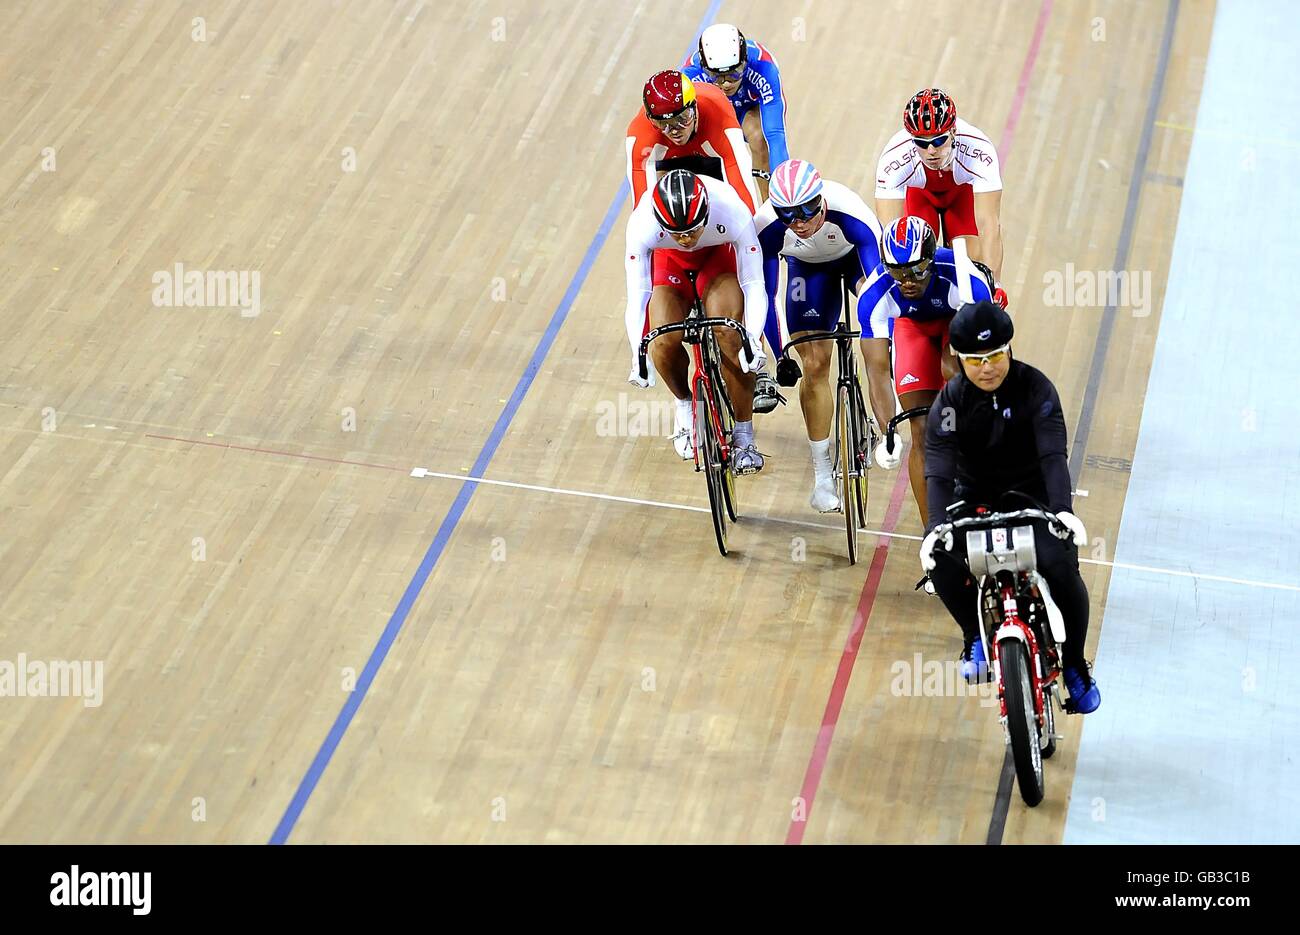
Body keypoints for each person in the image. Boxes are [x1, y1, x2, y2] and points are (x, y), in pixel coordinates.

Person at [920, 300, 1100, 712]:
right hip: (973, 495)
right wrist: (934, 528)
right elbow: (940, 472)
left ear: (1010, 349)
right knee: (940, 559)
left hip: (1032, 493)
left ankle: (1074, 664)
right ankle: (973, 637)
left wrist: (1063, 511)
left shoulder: (1036, 389)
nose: (988, 368)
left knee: (1061, 566)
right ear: (958, 359)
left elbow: (1053, 455)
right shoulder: (947, 405)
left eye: (997, 355)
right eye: (977, 360)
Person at [627, 70, 781, 413]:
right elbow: (643, 209)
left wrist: (748, 239)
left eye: (682, 118)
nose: (675, 130)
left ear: (694, 107)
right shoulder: (641, 135)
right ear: (651, 120)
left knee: (753, 256)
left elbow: (742, 189)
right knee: (663, 323)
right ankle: (687, 408)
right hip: (670, 179)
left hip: (716, 179)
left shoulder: (716, 109)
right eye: (664, 125)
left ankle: (762, 356)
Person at [754, 158, 881, 511]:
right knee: (814, 364)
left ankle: (884, 414)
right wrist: (780, 354)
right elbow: (764, 293)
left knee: (878, 338)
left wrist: (878, 332)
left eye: (808, 211)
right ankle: (823, 476)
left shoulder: (851, 211)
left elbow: (880, 287)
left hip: (854, 259)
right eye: (789, 216)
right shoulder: (765, 227)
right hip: (807, 273)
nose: (800, 223)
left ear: (821, 199)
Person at [624, 169, 768, 474]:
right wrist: (637, 352)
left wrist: (752, 339)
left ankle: (744, 436)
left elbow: (754, 282)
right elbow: (638, 294)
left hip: (717, 259)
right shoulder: (641, 223)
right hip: (670, 264)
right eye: (677, 233)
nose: (687, 239)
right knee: (661, 341)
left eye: (692, 230)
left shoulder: (731, 209)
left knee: (731, 335)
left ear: (706, 213)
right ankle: (684, 404)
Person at [858, 216, 992, 525]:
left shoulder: (964, 279)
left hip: (958, 323)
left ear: (931, 261)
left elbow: (990, 355)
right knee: (921, 431)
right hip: (912, 330)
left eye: (917, 271)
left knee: (952, 370)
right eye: (897, 272)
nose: (907, 281)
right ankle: (934, 535)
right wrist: (887, 432)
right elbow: (877, 372)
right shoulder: (874, 295)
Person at [874, 88, 1009, 308]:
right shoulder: (894, 158)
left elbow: (989, 225)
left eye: (939, 141)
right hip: (920, 196)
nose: (930, 151)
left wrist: (995, 284)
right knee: (913, 259)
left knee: (971, 269)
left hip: (961, 195)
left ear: (953, 131)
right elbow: (890, 236)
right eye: (921, 142)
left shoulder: (979, 149)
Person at [682, 23, 790, 203]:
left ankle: (770, 206)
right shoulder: (690, 76)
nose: (725, 84)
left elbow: (776, 135)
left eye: (734, 73)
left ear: (745, 62)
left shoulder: (763, 66)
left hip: (746, 110)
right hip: (713, 113)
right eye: (716, 76)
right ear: (703, 67)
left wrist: (785, 189)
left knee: (759, 137)